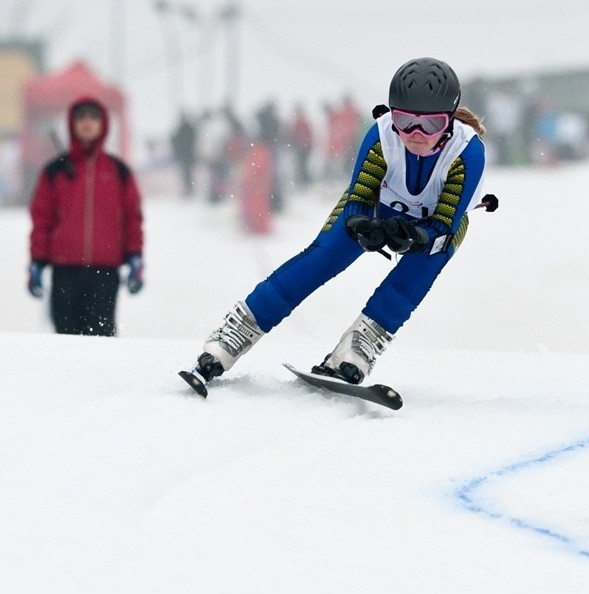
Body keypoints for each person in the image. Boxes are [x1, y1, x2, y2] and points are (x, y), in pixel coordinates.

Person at [182, 57, 488, 392]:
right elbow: (359, 195)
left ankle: (359, 347)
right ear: (391, 115)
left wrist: (415, 235)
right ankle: (235, 332)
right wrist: (361, 224)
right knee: (320, 259)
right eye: (404, 121)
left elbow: (445, 222)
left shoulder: (467, 152)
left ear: (450, 120)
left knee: (417, 268)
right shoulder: (383, 135)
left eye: (430, 125)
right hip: (374, 207)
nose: (415, 135)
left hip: (435, 224)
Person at [27, 97, 144, 336]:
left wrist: (135, 257)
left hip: (105, 271)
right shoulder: (56, 171)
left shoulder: (118, 171)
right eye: (81, 117)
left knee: (101, 338)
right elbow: (42, 219)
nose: (87, 123)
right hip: (65, 271)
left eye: (94, 117)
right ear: (72, 123)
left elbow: (133, 217)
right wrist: (37, 261)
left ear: (103, 124)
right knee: (66, 339)